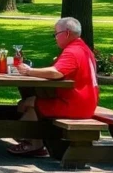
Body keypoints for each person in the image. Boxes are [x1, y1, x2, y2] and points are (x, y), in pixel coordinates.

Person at [9, 17, 100, 157]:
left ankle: (31, 142)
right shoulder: (83, 48)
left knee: (29, 103)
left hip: (74, 105)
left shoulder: (73, 51)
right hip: (86, 103)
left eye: (56, 34)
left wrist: (29, 71)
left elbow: (56, 72)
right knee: (31, 101)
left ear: (67, 33)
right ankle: (34, 143)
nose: (55, 38)